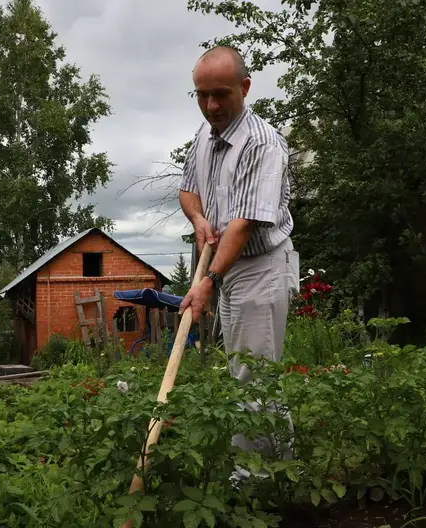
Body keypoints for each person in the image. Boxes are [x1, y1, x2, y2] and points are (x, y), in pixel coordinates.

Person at [177, 46, 300, 476]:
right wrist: (198, 219)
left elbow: (242, 226)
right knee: (242, 373)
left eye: (221, 94)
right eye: (202, 95)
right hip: (228, 271)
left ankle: (256, 483)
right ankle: (273, 471)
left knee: (256, 378)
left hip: (260, 268)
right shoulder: (206, 137)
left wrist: (206, 282)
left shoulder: (262, 144)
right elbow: (188, 189)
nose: (211, 105)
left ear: (244, 88)